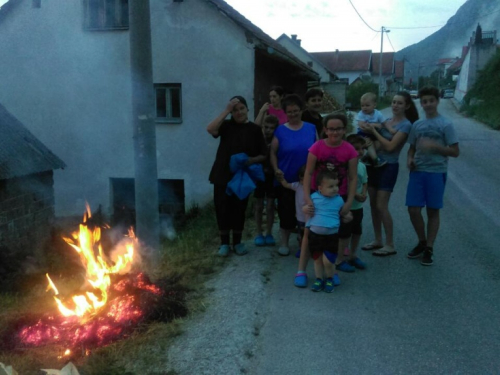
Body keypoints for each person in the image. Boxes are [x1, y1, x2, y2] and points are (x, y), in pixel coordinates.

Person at [299, 113, 358, 285]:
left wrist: (349, 202)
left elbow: (353, 177)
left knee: (335, 233)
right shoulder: (317, 148)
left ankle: (331, 269)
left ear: (344, 130)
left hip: (339, 196)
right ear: (325, 130)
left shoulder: (349, 150)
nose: (334, 132)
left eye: (338, 128)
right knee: (309, 233)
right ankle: (301, 270)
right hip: (317, 197)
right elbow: (308, 173)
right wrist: (307, 198)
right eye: (331, 129)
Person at [359, 91, 419, 256]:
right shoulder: (387, 121)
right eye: (393, 102)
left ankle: (390, 244)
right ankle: (378, 239)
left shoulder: (406, 125)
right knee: (372, 205)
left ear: (407, 106)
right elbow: (374, 141)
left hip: (389, 166)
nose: (395, 105)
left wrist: (374, 132)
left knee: (381, 205)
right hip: (372, 165)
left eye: (399, 103)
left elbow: (391, 147)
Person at [405, 86, 459, 266]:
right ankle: (421, 241)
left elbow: (455, 151)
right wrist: (410, 159)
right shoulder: (417, 125)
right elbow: (411, 148)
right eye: (424, 101)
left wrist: (436, 147)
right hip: (418, 171)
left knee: (432, 211)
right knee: (413, 209)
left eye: (431, 101)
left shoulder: (445, 124)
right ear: (421, 103)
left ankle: (429, 247)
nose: (428, 104)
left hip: (436, 172)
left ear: (437, 101)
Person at [207, 96, 267, 257]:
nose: (239, 112)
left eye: (242, 108)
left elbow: (263, 154)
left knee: (239, 209)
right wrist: (226, 111)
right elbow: (210, 129)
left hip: (242, 177)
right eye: (235, 110)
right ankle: (224, 244)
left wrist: (250, 160)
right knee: (222, 209)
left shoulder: (254, 129)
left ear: (247, 109)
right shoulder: (226, 126)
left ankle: (238, 242)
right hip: (222, 174)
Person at [270, 94, 317, 256]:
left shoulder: (311, 128)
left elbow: (318, 151)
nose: (293, 114)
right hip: (287, 180)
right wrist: (276, 169)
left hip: (309, 180)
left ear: (301, 110)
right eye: (289, 112)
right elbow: (273, 152)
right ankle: (284, 242)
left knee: (308, 212)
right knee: (286, 212)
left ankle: (305, 243)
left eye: (296, 111)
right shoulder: (280, 130)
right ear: (285, 112)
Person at [306, 169, 352, 293]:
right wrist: (305, 208)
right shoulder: (314, 198)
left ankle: (330, 278)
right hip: (315, 234)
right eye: (330, 186)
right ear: (320, 188)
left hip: (331, 236)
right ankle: (319, 279)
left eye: (336, 185)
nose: (335, 188)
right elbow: (306, 209)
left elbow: (345, 213)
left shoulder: (339, 200)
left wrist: (348, 216)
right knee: (317, 259)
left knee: (328, 260)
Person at [254, 115, 279, 247]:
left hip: (272, 177)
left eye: (271, 128)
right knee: (258, 206)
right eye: (266, 127)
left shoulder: (277, 141)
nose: (268, 130)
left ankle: (269, 233)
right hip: (259, 176)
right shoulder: (258, 140)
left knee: (270, 206)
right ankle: (258, 233)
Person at [345, 134, 368, 268]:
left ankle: (353, 255)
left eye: (362, 149)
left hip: (358, 205)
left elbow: (365, 182)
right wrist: (355, 195)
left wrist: (363, 193)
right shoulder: (346, 166)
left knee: (357, 231)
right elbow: (345, 185)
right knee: (344, 233)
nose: (360, 152)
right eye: (356, 149)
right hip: (347, 205)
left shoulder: (362, 166)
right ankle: (341, 256)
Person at [278, 165, 307, 256]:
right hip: (300, 217)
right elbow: (286, 185)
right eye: (301, 179)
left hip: (310, 217)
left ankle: (309, 250)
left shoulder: (313, 189)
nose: (303, 181)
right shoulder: (297, 186)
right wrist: (281, 178)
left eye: (305, 179)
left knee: (310, 235)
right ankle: (301, 249)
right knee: (300, 235)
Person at [356, 92, 386, 167]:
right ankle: (376, 160)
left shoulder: (378, 114)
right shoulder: (361, 114)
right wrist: (375, 125)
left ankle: (367, 157)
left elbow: (382, 124)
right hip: (363, 133)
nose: (364, 108)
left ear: (374, 105)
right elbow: (361, 125)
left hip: (374, 133)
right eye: (362, 105)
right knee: (370, 144)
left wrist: (372, 125)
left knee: (379, 144)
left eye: (367, 105)